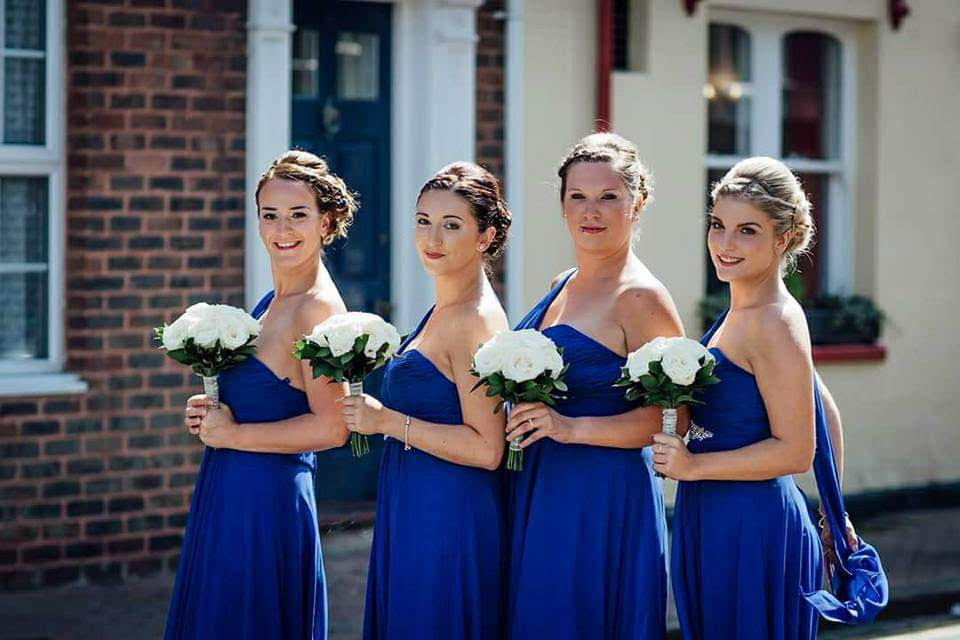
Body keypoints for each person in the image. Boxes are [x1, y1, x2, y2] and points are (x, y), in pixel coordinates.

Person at [656, 156, 859, 640]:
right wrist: (833, 513)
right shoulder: (742, 310)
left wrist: (694, 466)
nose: (725, 244)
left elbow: (797, 451)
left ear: (783, 238)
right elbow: (824, 409)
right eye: (718, 225)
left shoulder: (774, 321)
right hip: (715, 515)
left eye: (747, 231)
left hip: (751, 526)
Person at [165, 150, 354, 640]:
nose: (281, 229)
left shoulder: (316, 310)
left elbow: (333, 427)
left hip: (267, 505)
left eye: (297, 215)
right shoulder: (273, 302)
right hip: (229, 489)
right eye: (270, 215)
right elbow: (267, 398)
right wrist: (213, 413)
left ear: (325, 222)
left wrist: (233, 434)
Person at [505, 133, 684, 639]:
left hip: (602, 496)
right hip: (542, 484)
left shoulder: (642, 298)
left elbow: (673, 419)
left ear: (638, 203)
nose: (591, 211)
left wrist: (570, 427)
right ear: (562, 205)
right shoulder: (561, 283)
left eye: (609, 197)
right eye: (578, 196)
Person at [341, 162, 511, 639]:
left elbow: (488, 448)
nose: (432, 238)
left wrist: (386, 422)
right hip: (415, 503)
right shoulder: (443, 308)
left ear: (484, 236)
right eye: (423, 221)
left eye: (451, 225)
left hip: (449, 514)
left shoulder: (474, 320)